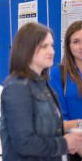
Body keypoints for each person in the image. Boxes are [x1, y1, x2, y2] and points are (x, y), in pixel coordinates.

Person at [0, 22, 82, 161]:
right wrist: (65, 143)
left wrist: (73, 140)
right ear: (27, 48)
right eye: (44, 46)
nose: (51, 51)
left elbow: (52, 130)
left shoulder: (43, 85)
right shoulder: (17, 87)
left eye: (52, 46)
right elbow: (24, 143)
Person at [50, 20, 82, 160]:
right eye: (76, 41)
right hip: (74, 144)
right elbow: (60, 118)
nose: (81, 46)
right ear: (68, 46)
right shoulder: (58, 73)